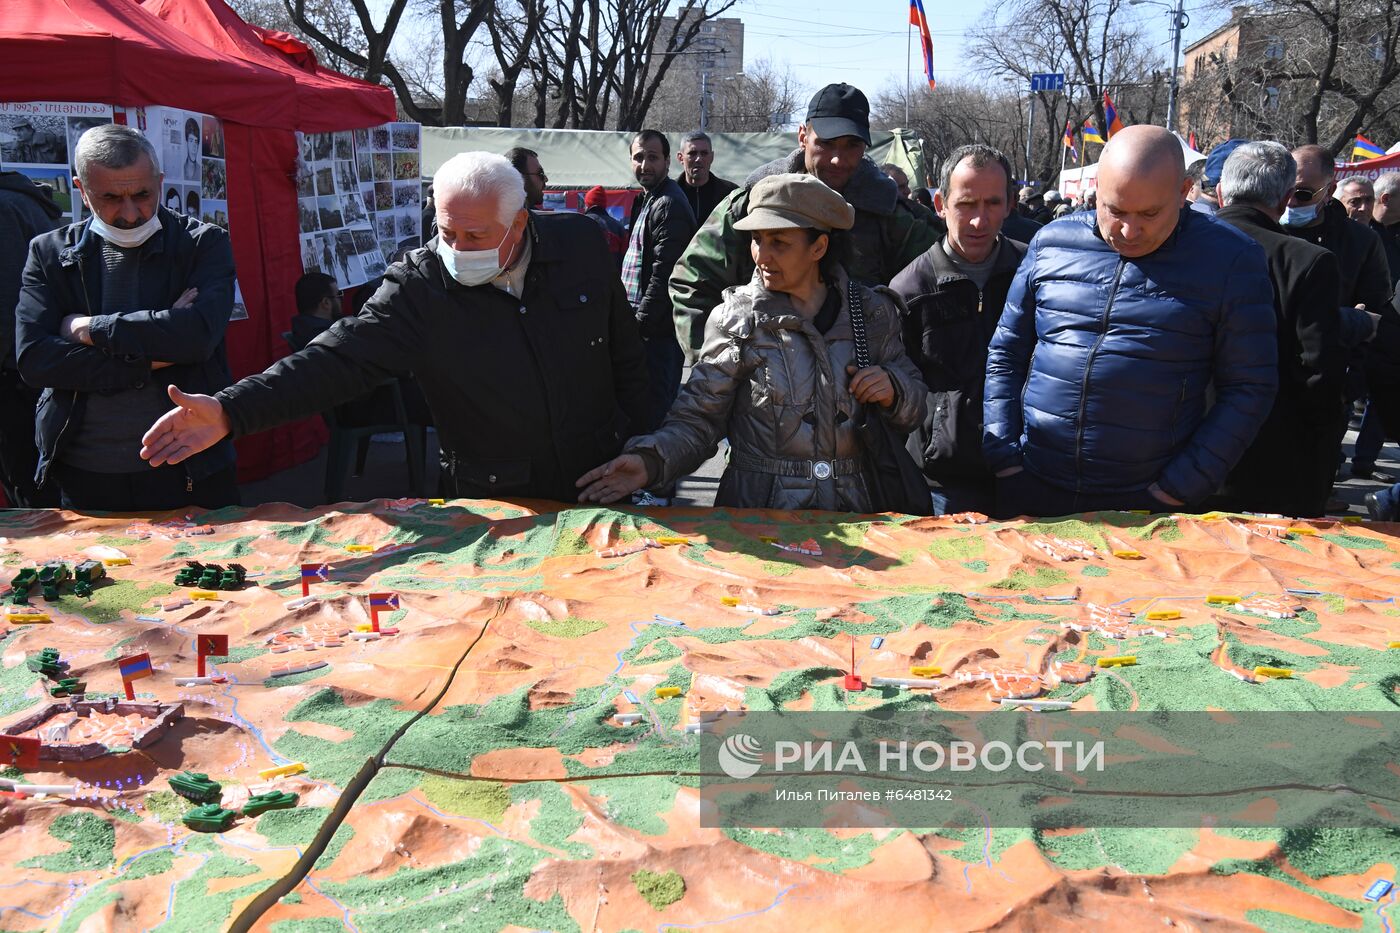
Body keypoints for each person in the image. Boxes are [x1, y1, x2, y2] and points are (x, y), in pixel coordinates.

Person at [140, 151, 650, 503]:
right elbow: (337, 358)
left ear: (518, 223)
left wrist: (647, 449)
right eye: (447, 232)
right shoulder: (420, 284)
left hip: (598, 479)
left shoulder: (579, 245)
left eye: (476, 236)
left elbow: (626, 353)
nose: (459, 249)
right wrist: (231, 410)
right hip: (495, 498)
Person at [575, 173, 926, 511]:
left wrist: (894, 389)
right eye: (757, 239)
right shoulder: (735, 318)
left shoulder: (871, 312)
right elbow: (698, 419)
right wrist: (650, 461)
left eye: (779, 243)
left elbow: (915, 406)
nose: (761, 255)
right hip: (758, 516)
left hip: (857, 512)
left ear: (819, 247)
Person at [983, 125, 1277, 518]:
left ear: (1184, 191)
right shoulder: (1051, 242)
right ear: (1097, 190)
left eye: (1150, 213)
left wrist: (1180, 487)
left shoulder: (1232, 259)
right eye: (1115, 210)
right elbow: (1006, 352)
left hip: (1147, 501)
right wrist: (1005, 457)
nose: (1129, 230)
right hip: (1034, 483)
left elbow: (1249, 386)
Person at [16, 124, 239, 511]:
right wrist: (150, 355)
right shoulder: (49, 253)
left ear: (160, 182)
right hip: (84, 472)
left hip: (191, 466)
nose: (131, 213)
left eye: (142, 195)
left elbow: (197, 338)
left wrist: (88, 328)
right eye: (111, 198)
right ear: (81, 190)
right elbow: (35, 360)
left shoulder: (202, 244)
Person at [671, 83, 941, 363]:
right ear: (803, 137)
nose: (838, 159)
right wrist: (719, 364)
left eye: (852, 145)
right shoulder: (756, 202)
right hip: (765, 381)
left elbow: (943, 275)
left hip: (858, 380)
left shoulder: (889, 214)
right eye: (826, 143)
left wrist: (896, 369)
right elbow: (690, 281)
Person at [890, 144, 1027, 517]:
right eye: (966, 204)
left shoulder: (1034, 273)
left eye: (992, 203)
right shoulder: (909, 290)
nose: (980, 221)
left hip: (1027, 471)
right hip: (943, 485)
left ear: (1010, 204)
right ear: (941, 204)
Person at [1213, 142, 1345, 517]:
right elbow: (1319, 373)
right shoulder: (1307, 261)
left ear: (1220, 192)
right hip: (1273, 463)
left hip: (1176, 458)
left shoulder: (1176, 248)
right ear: (1286, 198)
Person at [623, 129, 696, 440]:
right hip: (645, 331)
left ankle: (653, 473)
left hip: (656, 335)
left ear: (668, 161)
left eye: (653, 157)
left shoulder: (669, 204)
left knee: (652, 421)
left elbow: (664, 275)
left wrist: (638, 326)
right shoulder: (648, 200)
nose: (645, 165)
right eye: (638, 157)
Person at [0, 170, 63, 507]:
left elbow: (8, 305)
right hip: (37, 368)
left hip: (17, 377)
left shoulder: (5, 207)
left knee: (32, 495)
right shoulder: (24, 202)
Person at [675, 131, 737, 223]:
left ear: (712, 157)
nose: (698, 159)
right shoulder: (667, 193)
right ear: (680, 158)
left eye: (704, 153)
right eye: (692, 153)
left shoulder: (731, 194)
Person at [582, 185, 627, 269]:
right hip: (612, 275)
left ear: (587, 205)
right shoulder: (618, 227)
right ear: (604, 205)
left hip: (583, 274)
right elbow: (624, 257)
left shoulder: (579, 224)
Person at [183, 118, 201, 183]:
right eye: (191, 141)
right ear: (186, 142)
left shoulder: (201, 171)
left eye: (196, 142)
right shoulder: (180, 170)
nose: (194, 147)